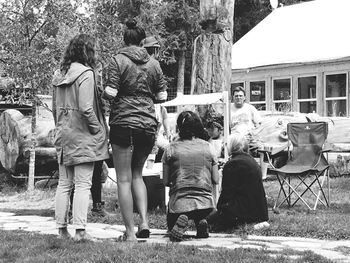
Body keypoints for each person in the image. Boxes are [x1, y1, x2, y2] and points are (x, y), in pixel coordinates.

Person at [103, 20, 167, 242]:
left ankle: (130, 232)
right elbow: (162, 96)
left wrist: (106, 94)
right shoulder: (154, 64)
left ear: (124, 40)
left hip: (123, 123)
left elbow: (110, 92)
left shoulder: (117, 60)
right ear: (142, 41)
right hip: (147, 124)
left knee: (123, 179)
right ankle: (145, 223)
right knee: (138, 174)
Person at [52, 33, 109, 241]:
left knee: (64, 183)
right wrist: (98, 129)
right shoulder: (86, 73)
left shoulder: (59, 73)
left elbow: (54, 108)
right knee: (83, 184)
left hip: (64, 134)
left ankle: (61, 231)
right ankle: (80, 231)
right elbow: (86, 107)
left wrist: (59, 127)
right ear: (88, 51)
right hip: (83, 136)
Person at [162, 111, 220, 241]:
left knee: (172, 225)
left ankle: (180, 220)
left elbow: (165, 181)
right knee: (202, 214)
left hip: (179, 203)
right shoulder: (209, 147)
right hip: (205, 204)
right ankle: (202, 222)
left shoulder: (170, 149)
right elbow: (216, 179)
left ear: (179, 128)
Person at [207, 133, 269, 232]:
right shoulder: (251, 160)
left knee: (208, 220)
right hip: (259, 211)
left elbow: (227, 194)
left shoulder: (232, 164)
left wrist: (220, 210)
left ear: (231, 146)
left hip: (243, 211)